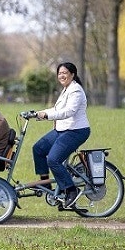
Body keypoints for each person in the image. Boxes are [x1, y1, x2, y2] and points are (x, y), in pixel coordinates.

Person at [33, 62, 90, 208]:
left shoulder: (76, 91)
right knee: (38, 149)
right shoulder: (66, 90)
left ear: (73, 74)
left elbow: (69, 111)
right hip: (62, 130)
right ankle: (45, 184)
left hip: (76, 131)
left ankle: (71, 190)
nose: (62, 76)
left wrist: (46, 115)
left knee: (53, 160)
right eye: (59, 73)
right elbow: (57, 109)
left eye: (64, 73)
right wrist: (36, 114)